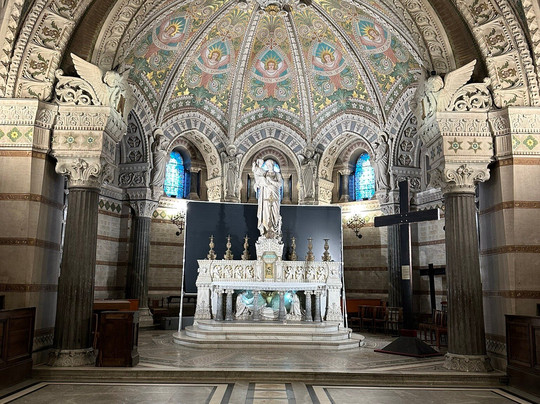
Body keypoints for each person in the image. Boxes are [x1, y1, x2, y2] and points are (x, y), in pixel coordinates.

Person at [252, 159, 283, 239]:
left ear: (273, 165)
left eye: (271, 165)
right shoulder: (264, 174)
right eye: (268, 165)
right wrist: (255, 167)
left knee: (275, 212)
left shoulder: (277, 174)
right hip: (265, 196)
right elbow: (257, 176)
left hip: (275, 196)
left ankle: (275, 231)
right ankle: (265, 231)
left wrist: (271, 181)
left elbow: (280, 184)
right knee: (265, 212)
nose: (270, 166)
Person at [149, 129, 169, 196]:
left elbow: (166, 153)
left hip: (162, 159)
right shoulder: (155, 143)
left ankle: (159, 184)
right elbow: (157, 149)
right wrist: (160, 142)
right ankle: (154, 183)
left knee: (162, 173)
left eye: (163, 139)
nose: (162, 140)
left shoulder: (163, 145)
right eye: (161, 138)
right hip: (157, 157)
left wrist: (164, 152)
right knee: (157, 170)